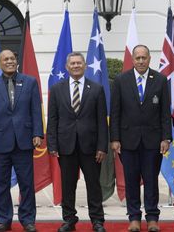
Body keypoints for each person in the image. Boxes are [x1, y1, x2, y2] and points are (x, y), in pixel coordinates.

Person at [110, 44, 171, 232]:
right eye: (138, 58)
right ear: (133, 59)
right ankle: (134, 218)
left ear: (149, 59)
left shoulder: (160, 80)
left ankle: (152, 218)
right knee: (131, 180)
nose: (141, 61)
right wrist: (115, 139)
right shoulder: (121, 80)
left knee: (152, 180)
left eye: (144, 58)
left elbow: (164, 113)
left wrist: (166, 137)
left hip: (153, 141)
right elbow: (116, 112)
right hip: (128, 141)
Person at [0, 49, 43, 232]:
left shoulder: (30, 82)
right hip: (0, 142)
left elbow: (35, 110)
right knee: (1, 184)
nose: (9, 61)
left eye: (12, 58)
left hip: (24, 141)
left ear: (16, 61)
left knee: (26, 184)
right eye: (5, 59)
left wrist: (38, 134)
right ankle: (3, 220)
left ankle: (28, 220)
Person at [47, 52, 107, 232]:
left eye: (79, 63)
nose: (75, 66)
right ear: (67, 67)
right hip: (66, 146)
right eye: (72, 63)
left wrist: (102, 146)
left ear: (85, 66)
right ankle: (69, 220)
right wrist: (52, 144)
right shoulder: (57, 89)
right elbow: (53, 119)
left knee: (94, 185)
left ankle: (97, 221)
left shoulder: (96, 89)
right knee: (68, 185)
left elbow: (102, 121)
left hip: (91, 146)